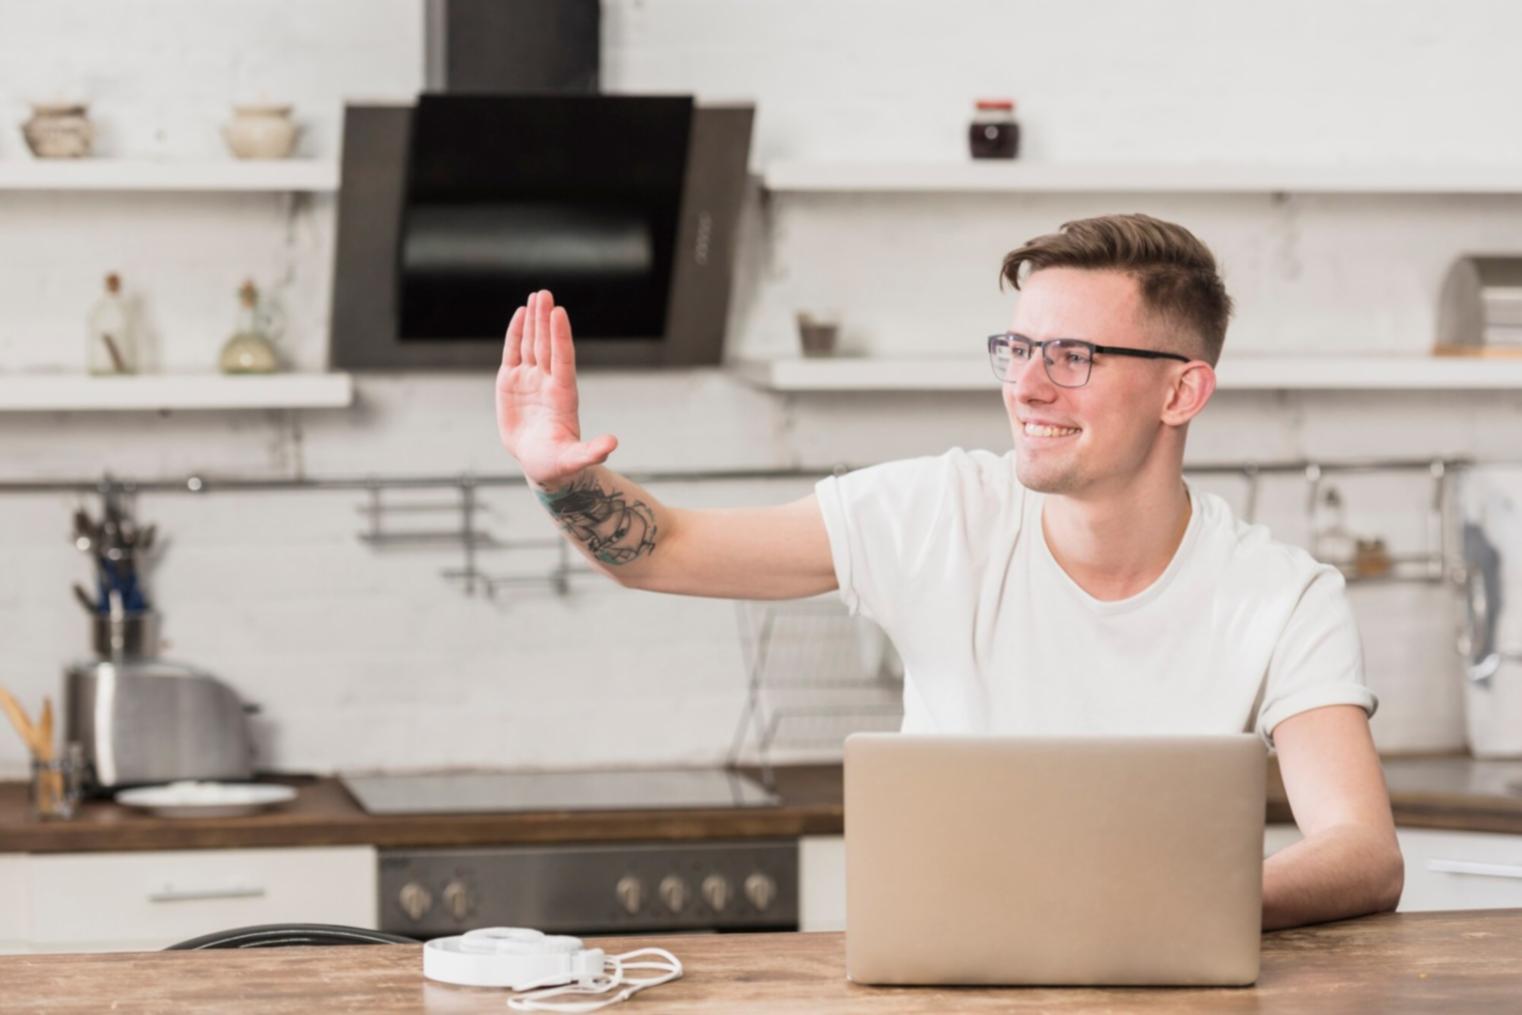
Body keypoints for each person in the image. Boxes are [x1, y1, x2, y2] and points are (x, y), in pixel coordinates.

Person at [494, 212, 1404, 930]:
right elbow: (664, 551)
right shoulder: (937, 512)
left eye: (1074, 356)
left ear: (1182, 391)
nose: (1028, 386)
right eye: (1017, 350)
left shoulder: (1283, 595)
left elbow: (1363, 848)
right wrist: (564, 479)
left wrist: (1186, 908)